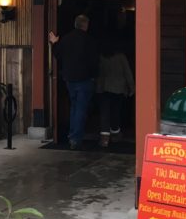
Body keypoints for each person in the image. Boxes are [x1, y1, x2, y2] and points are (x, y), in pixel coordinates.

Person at [48, 14, 98, 149]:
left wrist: (54, 43)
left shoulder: (66, 39)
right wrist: (94, 76)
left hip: (69, 78)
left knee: (74, 107)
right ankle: (76, 138)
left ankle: (72, 136)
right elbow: (94, 61)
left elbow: (57, 55)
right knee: (81, 109)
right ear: (85, 25)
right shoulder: (89, 40)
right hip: (84, 78)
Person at [95, 40, 134, 147]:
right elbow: (127, 73)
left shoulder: (101, 56)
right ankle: (115, 135)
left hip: (103, 88)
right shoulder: (121, 57)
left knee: (104, 112)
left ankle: (104, 138)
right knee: (116, 111)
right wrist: (132, 88)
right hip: (118, 89)